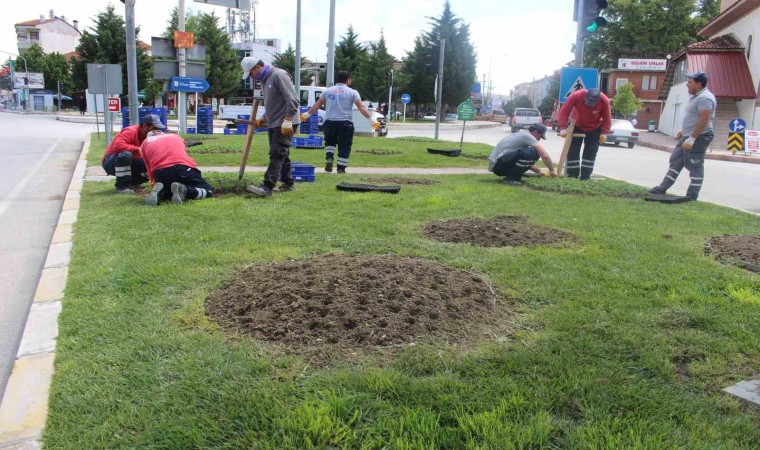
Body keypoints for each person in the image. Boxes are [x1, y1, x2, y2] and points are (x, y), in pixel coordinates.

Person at [649, 71, 716, 201]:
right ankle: (662, 188)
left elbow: (704, 120)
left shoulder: (705, 98)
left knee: (694, 165)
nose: (687, 85)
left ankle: (692, 195)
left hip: (699, 137)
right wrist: (684, 131)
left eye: (690, 82)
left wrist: (692, 138)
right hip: (688, 135)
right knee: (676, 160)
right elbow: (694, 117)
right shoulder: (697, 96)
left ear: (699, 84)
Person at [240, 56, 301, 197]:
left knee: (277, 152)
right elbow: (273, 103)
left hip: (285, 121)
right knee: (282, 153)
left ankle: (267, 186)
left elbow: (293, 99)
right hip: (275, 121)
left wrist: (288, 119)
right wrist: (264, 118)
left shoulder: (278, 75)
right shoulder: (265, 79)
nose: (252, 77)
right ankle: (288, 183)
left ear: (257, 67)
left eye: (251, 74)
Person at [300, 71, 380, 173]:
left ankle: (329, 157)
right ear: (348, 80)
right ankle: (341, 168)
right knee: (345, 145)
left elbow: (317, 105)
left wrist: (306, 114)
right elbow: (361, 107)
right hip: (345, 123)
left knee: (330, 142)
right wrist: (371, 120)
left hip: (329, 122)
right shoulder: (352, 92)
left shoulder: (327, 91)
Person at [139, 130, 213, 206]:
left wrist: (154, 183)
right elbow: (182, 153)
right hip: (182, 168)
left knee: (169, 193)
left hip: (159, 172)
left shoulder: (145, 143)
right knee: (207, 190)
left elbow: (148, 168)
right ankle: (185, 190)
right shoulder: (175, 136)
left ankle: (161, 192)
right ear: (161, 133)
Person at [101, 114, 165, 194]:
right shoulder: (130, 131)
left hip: (132, 161)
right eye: (154, 128)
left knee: (152, 166)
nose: (155, 131)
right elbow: (117, 145)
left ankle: (131, 183)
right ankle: (122, 187)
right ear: (145, 126)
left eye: (158, 129)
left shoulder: (150, 137)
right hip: (110, 161)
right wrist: (138, 149)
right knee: (126, 155)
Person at [558, 88, 612, 180]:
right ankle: (572, 176)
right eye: (588, 102)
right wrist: (563, 128)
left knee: (590, 153)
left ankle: (585, 177)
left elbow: (607, 117)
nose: (590, 106)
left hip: (595, 127)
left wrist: (604, 133)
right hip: (577, 125)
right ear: (585, 97)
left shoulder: (604, 100)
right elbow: (564, 111)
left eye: (592, 104)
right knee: (573, 151)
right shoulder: (576, 96)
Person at [488, 123, 557, 185]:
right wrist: (552, 171)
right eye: (540, 136)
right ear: (535, 132)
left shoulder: (522, 134)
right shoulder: (527, 136)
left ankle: (511, 176)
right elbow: (545, 156)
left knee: (529, 153)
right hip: (499, 166)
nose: (539, 139)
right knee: (534, 152)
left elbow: (520, 161)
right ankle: (512, 179)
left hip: (498, 166)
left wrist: (539, 171)